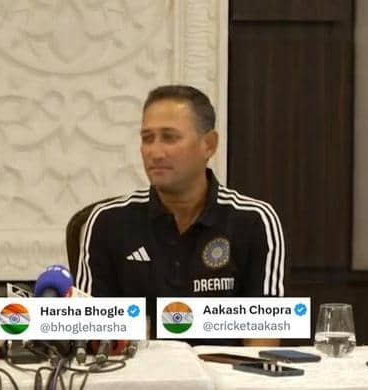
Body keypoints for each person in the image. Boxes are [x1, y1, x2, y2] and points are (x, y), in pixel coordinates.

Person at [75, 85, 285, 345]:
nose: (155, 152)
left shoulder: (254, 220)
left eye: (169, 137)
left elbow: (262, 339)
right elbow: (91, 336)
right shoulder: (107, 222)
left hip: (225, 370)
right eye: (147, 138)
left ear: (209, 144)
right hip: (135, 370)